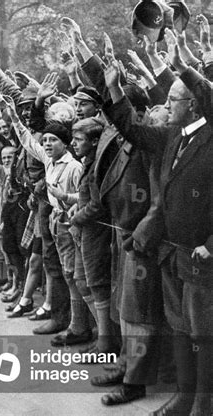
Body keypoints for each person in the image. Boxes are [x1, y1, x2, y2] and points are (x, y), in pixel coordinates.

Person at [103, 31, 213, 415]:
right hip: (173, 254)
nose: (165, 104)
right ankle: (184, 396)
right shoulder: (173, 137)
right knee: (182, 329)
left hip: (203, 258)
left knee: (203, 334)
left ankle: (203, 403)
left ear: (196, 107)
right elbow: (131, 128)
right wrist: (114, 89)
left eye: (173, 100)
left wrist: (211, 243)